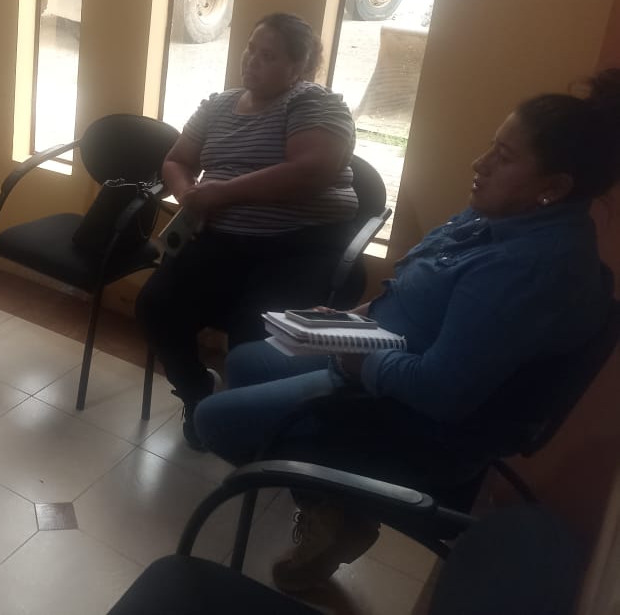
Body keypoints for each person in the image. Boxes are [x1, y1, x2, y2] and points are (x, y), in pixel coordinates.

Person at [193, 70, 620, 592]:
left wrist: (359, 358)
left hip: (410, 415)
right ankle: (328, 501)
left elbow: (440, 390)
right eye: (492, 146)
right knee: (243, 361)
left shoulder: (527, 269)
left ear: (552, 188)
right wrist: (352, 319)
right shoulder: (507, 218)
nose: (480, 163)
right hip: (383, 353)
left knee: (215, 421)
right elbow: (420, 289)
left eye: (504, 157)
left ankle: (338, 503)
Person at [136, 12, 358, 450]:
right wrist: (190, 195)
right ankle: (198, 393)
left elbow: (311, 170)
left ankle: (250, 423)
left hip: (296, 248)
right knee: (155, 307)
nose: (251, 60)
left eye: (268, 55)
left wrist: (221, 193)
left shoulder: (312, 103)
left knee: (251, 337)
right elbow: (176, 160)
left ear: (297, 68)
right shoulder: (218, 105)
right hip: (220, 241)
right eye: (251, 49)